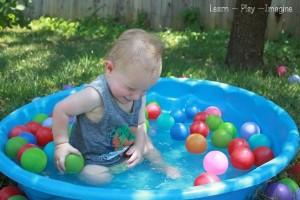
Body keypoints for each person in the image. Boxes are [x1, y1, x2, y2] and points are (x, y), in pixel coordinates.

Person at [52, 29, 181, 185]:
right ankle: (108, 174)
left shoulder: (138, 92)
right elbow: (61, 109)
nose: (137, 96)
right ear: (109, 69)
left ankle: (163, 166)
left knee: (146, 143)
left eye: (144, 90)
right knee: (96, 177)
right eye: (131, 89)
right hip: (91, 159)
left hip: (122, 148)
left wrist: (139, 147)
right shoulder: (95, 96)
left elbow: (140, 124)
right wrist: (62, 144)